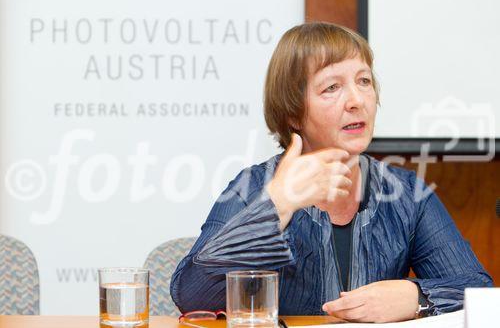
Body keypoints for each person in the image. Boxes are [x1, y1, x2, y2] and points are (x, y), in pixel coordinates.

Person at [170, 22, 492, 323]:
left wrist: (416, 296)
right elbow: (191, 295)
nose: (356, 100)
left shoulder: (406, 193)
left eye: (364, 81)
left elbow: (479, 292)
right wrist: (277, 205)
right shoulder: (253, 187)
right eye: (332, 87)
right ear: (293, 112)